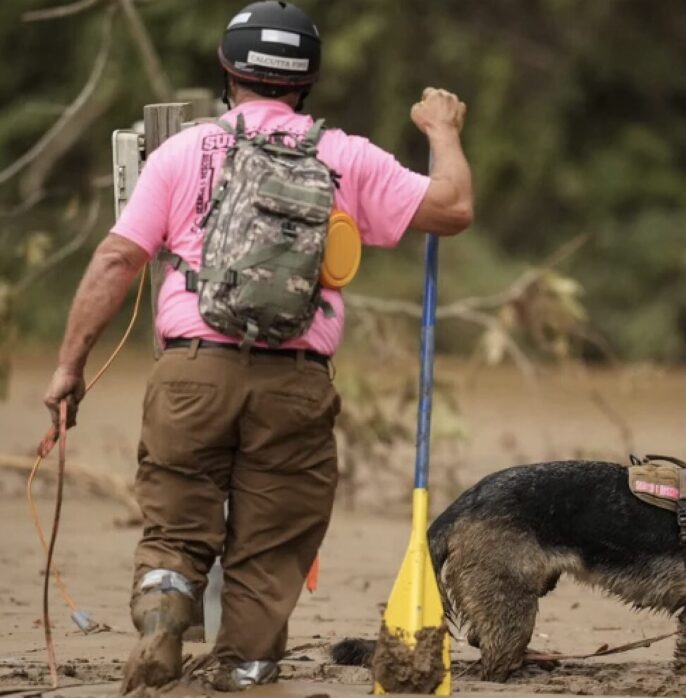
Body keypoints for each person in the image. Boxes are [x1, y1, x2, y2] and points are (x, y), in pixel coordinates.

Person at [41, 1, 473, 692]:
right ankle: (243, 664)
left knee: (177, 516)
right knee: (271, 544)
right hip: (296, 383)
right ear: (308, 80)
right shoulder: (344, 156)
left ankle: (161, 621)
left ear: (227, 68)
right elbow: (452, 209)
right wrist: (442, 130)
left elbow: (116, 260)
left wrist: (70, 366)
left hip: (190, 373)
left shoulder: (185, 150)